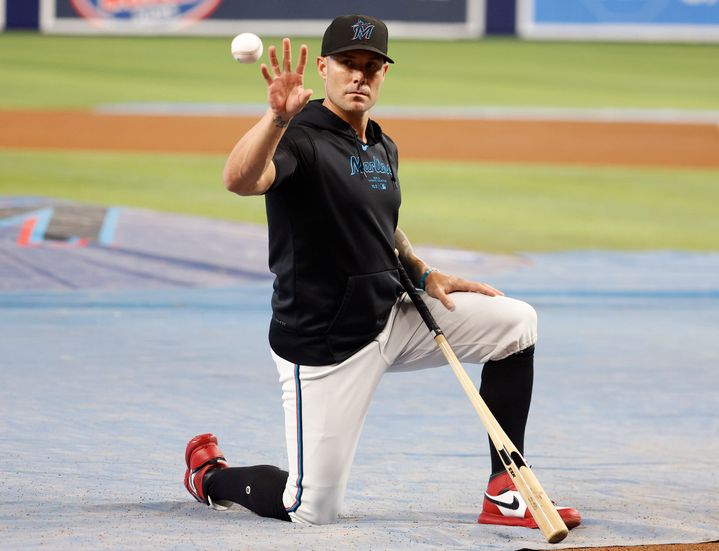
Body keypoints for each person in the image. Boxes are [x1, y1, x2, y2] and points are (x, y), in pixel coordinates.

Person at [183, 14, 581, 530]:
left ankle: (506, 491)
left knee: (516, 323)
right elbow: (240, 180)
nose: (360, 76)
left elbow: (380, 223)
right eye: (349, 64)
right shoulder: (299, 139)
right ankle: (211, 477)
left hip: (390, 316)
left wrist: (421, 271)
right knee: (310, 510)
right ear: (323, 67)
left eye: (372, 67)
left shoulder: (380, 144)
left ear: (384, 75)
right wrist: (275, 118)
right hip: (326, 343)